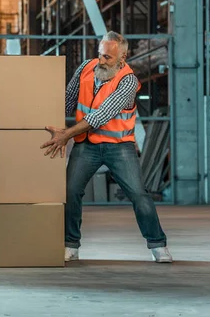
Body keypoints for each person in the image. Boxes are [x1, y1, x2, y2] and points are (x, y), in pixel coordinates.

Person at [40, 31, 172, 263]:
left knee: (138, 194)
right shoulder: (86, 68)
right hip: (87, 145)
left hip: (119, 148)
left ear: (122, 58)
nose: (101, 61)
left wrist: (66, 135)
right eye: (100, 55)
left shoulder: (128, 81)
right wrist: (46, 122)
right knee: (70, 191)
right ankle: (71, 244)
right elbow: (68, 100)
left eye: (108, 58)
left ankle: (158, 245)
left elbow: (101, 115)